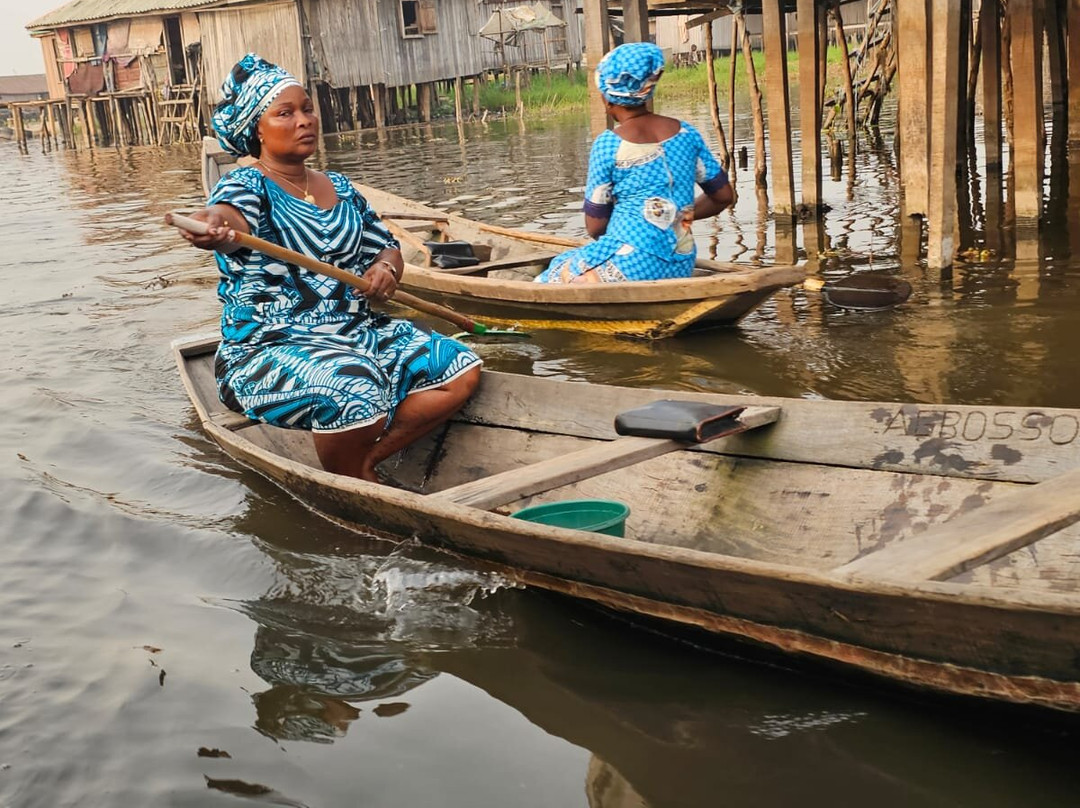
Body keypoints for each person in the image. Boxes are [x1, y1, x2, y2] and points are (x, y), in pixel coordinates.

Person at [181, 54, 482, 483]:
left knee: (460, 369)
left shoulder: (339, 187)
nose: (304, 120)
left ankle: (363, 464)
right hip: (269, 348)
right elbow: (224, 216)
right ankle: (355, 479)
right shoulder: (246, 186)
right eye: (285, 113)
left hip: (354, 333)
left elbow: (387, 248)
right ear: (257, 130)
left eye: (307, 108)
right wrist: (211, 226)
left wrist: (385, 271)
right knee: (357, 392)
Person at [536, 42, 734, 284]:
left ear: (608, 100)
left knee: (554, 274)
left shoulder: (609, 145)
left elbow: (595, 227)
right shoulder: (686, 134)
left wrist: (635, 228)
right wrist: (678, 218)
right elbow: (723, 196)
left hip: (631, 265)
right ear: (646, 92)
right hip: (681, 262)